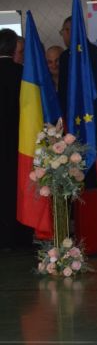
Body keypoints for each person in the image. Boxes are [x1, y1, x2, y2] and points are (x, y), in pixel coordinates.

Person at [58, 16, 97, 181]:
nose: (63, 36)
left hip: (78, 123)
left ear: (70, 31)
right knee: (90, 168)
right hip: (93, 122)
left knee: (81, 169)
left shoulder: (69, 57)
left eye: (63, 32)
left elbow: (64, 93)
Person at [0, 28, 31, 250]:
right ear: (14, 50)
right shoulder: (22, 74)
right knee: (17, 190)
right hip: (18, 143)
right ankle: (19, 237)